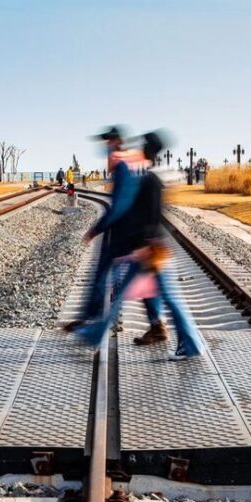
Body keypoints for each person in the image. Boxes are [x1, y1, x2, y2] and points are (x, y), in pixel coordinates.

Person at [74, 131, 204, 360]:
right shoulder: (151, 176)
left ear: (147, 150)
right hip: (151, 247)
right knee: (166, 298)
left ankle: (94, 335)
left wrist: (142, 243)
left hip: (147, 249)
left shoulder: (148, 179)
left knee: (128, 296)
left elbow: (152, 214)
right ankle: (189, 344)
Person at [64, 125, 165, 344]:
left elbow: (120, 204)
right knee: (142, 279)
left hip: (123, 234)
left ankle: (91, 323)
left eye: (108, 141)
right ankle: (156, 325)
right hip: (130, 233)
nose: (105, 146)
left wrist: (97, 228)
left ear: (116, 142)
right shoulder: (125, 163)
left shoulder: (122, 165)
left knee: (106, 278)